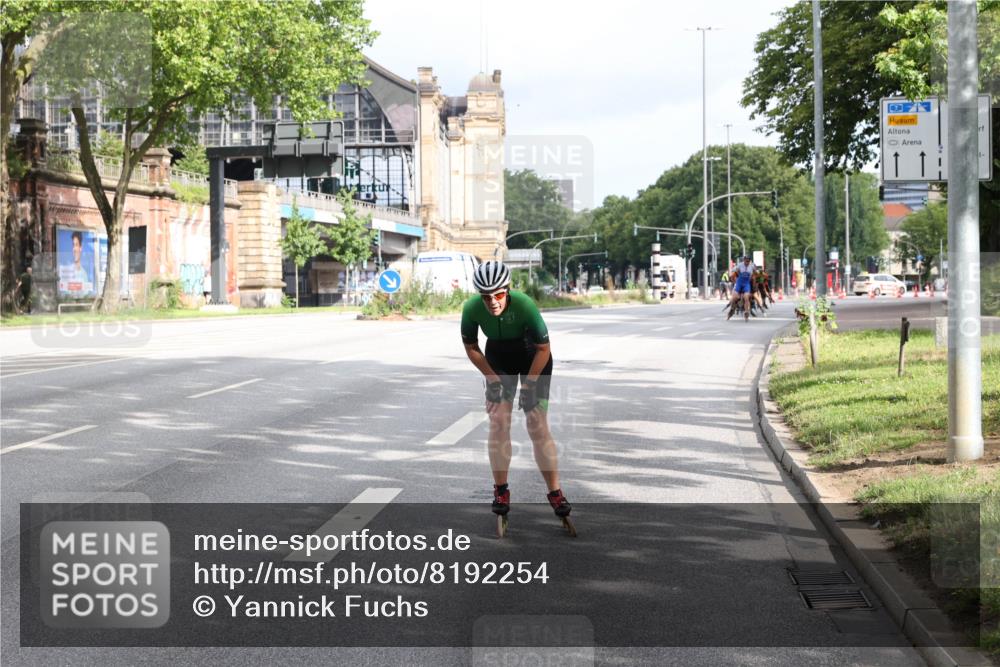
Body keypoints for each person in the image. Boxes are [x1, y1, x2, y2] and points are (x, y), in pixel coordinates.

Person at [460, 261, 572, 522]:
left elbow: (544, 349)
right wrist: (492, 378)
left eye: (498, 294)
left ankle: (555, 492)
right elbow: (472, 348)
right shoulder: (471, 309)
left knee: (536, 423)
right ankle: (500, 491)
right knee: (499, 422)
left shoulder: (524, 305)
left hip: (533, 356)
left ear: (507, 290)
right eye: (486, 296)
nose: (492, 302)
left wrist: (530, 385)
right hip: (499, 358)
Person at [727, 256, 755, 321]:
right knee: (735, 297)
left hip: (746, 284)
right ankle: (732, 309)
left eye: (748, 261)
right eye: (746, 261)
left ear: (749, 261)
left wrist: (753, 278)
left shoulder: (752, 266)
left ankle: (746, 311)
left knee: (746, 297)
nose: (747, 263)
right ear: (744, 260)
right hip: (739, 283)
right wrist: (733, 280)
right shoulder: (740, 265)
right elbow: (732, 272)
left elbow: (755, 273)